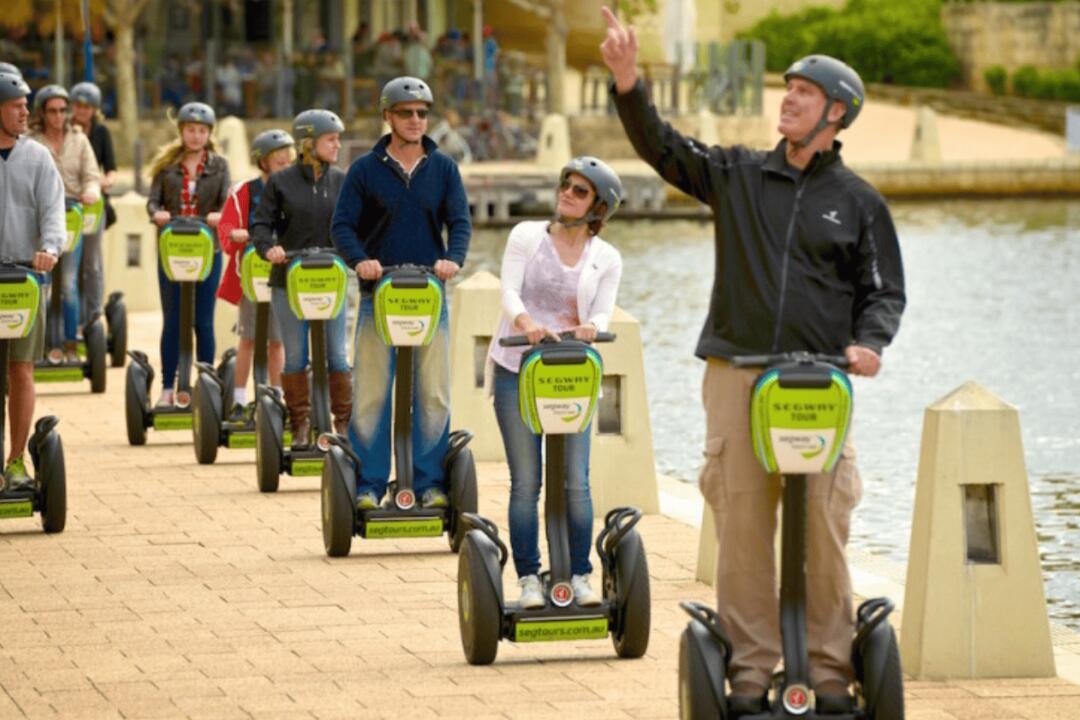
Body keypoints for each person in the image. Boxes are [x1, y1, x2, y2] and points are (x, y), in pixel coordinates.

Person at [600, 7, 906, 716]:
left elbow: (883, 290)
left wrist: (870, 343)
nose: (788, 98)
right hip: (738, 370)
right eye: (788, 88)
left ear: (836, 113)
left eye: (804, 92)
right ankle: (750, 670)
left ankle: (831, 673)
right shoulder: (736, 174)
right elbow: (663, 148)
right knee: (741, 524)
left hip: (821, 383)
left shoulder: (857, 202)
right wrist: (627, 82)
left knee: (825, 528)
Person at [488, 156, 624, 609]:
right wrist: (526, 322)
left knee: (576, 482)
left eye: (580, 191)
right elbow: (508, 290)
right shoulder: (527, 236)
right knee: (526, 481)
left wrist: (592, 325)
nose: (567, 193)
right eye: (566, 185)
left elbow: (603, 309)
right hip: (516, 368)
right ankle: (529, 577)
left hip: (569, 375)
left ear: (598, 208)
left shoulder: (606, 257)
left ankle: (579, 575)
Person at [331, 76, 470, 511]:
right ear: (388, 116)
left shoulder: (444, 168)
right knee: (372, 393)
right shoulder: (364, 170)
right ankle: (369, 486)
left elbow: (460, 222)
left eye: (422, 113)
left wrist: (453, 258)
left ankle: (429, 483)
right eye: (406, 113)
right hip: (379, 295)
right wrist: (360, 261)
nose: (415, 120)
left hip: (429, 296)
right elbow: (342, 227)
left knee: (433, 392)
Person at [252, 110, 351, 446]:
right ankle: (301, 425)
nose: (338, 144)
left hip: (332, 281)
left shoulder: (341, 181)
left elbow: (358, 224)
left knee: (337, 355)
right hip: (289, 281)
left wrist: (361, 254)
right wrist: (270, 249)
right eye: (331, 138)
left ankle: (344, 425)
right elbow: (260, 225)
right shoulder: (281, 182)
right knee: (296, 357)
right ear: (310, 143)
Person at [0, 71, 63, 488]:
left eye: (27, 104)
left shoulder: (37, 157)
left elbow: (53, 212)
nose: (26, 111)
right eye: (17, 105)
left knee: (21, 370)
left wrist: (51, 249)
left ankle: (17, 459)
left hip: (24, 280)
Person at [146, 102, 230, 408]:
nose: (196, 136)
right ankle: (168, 387)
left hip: (207, 249)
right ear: (181, 131)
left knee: (203, 321)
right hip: (173, 250)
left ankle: (205, 386)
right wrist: (159, 214)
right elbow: (152, 201)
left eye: (202, 131)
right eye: (190, 130)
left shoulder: (219, 165)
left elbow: (225, 201)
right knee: (172, 320)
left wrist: (218, 216)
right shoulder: (166, 166)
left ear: (209, 134)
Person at [216, 129, 293, 423]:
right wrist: (236, 234)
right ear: (263, 162)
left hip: (281, 273)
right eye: (278, 158)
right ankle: (238, 398)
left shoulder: (291, 189)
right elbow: (227, 227)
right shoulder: (245, 192)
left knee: (277, 340)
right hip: (252, 274)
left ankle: (277, 397)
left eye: (287, 157)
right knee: (248, 338)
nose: (284, 161)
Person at [27, 85, 101, 361]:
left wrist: (91, 190)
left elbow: (91, 174)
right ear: (42, 113)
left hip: (71, 214)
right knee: (42, 284)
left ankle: (70, 344)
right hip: (40, 219)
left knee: (69, 283)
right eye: (52, 111)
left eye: (62, 110)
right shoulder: (30, 141)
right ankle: (43, 345)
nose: (58, 117)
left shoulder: (79, 139)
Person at [68, 81, 116, 328]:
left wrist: (99, 184)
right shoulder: (64, 130)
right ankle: (70, 317)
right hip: (67, 205)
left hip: (92, 205)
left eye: (87, 107)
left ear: (95, 109)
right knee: (68, 264)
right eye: (78, 105)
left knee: (92, 262)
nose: (82, 110)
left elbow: (112, 171)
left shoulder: (101, 133)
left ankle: (94, 316)